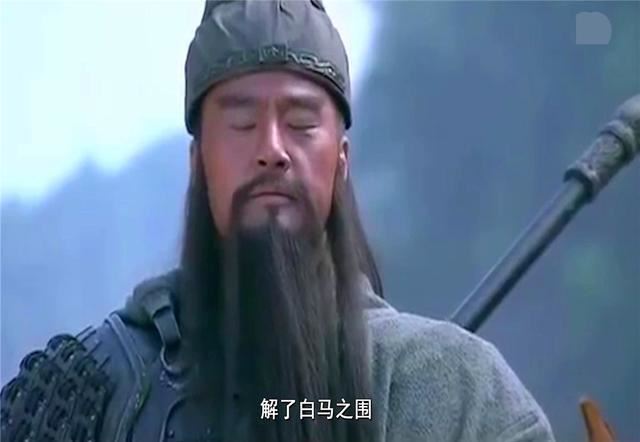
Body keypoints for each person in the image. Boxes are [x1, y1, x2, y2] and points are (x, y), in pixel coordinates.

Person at [0, 1, 555, 441]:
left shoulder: (457, 393)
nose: (271, 150)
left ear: (341, 162)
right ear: (198, 163)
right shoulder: (93, 392)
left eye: (300, 123)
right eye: (242, 123)